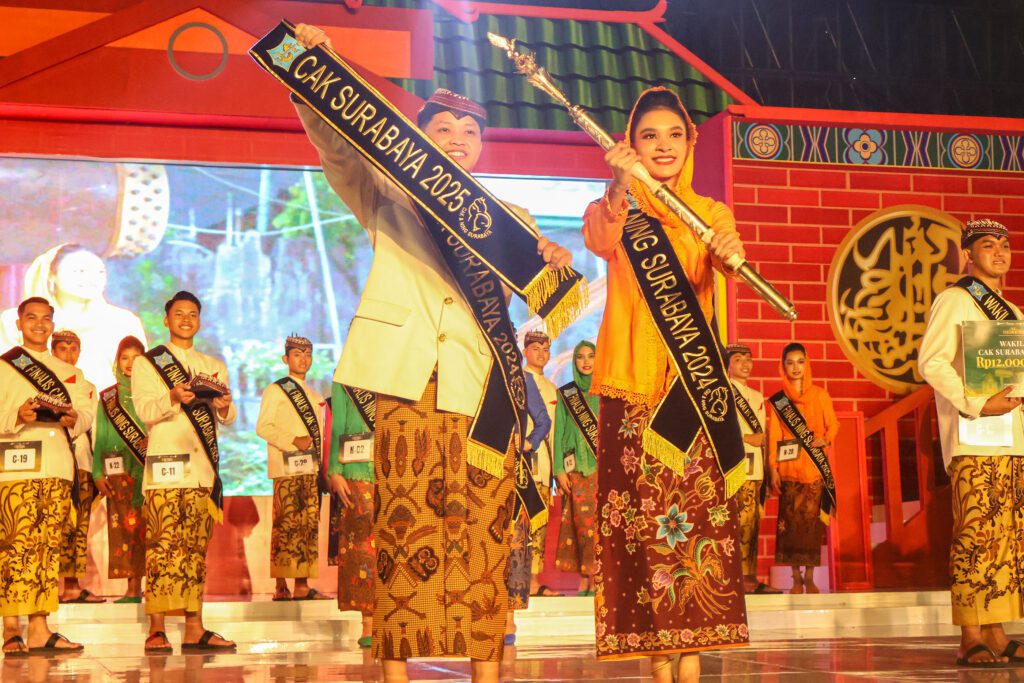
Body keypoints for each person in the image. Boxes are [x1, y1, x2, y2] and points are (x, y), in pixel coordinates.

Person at [292, 23, 573, 683]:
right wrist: (313, 75)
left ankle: (486, 673)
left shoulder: (511, 218)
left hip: (483, 392)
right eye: (442, 128)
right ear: (418, 138)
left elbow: (547, 300)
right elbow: (336, 148)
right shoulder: (389, 192)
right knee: (401, 530)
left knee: (483, 536)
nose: (457, 138)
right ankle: (395, 672)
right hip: (406, 377)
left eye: (469, 131)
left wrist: (556, 264)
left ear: (482, 145)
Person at [583, 87, 749, 683]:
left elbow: (727, 264)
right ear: (630, 143)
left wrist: (728, 251)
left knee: (695, 525)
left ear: (690, 143)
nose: (663, 146)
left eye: (674, 135)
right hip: (630, 386)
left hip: (690, 394)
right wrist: (621, 184)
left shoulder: (710, 213)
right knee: (640, 526)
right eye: (649, 136)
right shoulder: (614, 205)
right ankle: (657, 663)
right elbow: (600, 240)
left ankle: (693, 661)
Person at [919, 219, 1024, 668]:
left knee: (1006, 539)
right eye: (987, 245)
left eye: (1005, 245)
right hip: (974, 434)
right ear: (967, 255)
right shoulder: (955, 299)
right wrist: (978, 402)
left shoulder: (1014, 313)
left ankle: (997, 632)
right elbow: (932, 362)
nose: (999, 252)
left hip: (1012, 439)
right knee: (975, 535)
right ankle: (969, 635)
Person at [132, 291, 237, 653]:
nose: (186, 319)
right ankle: (156, 629)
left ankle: (194, 628)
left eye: (193, 314)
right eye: (179, 313)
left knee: (194, 551)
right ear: (167, 320)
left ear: (199, 321)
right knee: (161, 549)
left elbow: (228, 417)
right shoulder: (148, 363)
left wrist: (224, 406)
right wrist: (174, 397)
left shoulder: (213, 364)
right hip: (165, 469)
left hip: (201, 472)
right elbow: (145, 410)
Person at [1, 297, 94, 655]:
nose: (39, 324)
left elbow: (86, 412)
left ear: (53, 325)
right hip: (14, 468)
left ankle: (39, 629)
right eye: (32, 318)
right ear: (19, 323)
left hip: (56, 467)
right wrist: (17, 414)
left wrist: (75, 419)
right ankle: (11, 628)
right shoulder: (5, 366)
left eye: (46, 319)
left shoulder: (70, 372)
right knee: (13, 547)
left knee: (45, 550)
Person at [0, 244, 147, 389]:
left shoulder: (123, 322)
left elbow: (139, 380)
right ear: (52, 275)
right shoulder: (15, 321)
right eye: (80, 271)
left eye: (100, 272)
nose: (93, 278)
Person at [255, 335, 329, 602]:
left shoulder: (316, 396)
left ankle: (302, 585)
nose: (303, 359)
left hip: (310, 469)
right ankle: (280, 585)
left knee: (306, 528)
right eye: (297, 354)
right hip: (286, 468)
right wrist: (292, 440)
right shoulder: (275, 390)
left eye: (307, 354)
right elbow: (263, 427)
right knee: (285, 525)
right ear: (286, 359)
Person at [766, 343, 839, 595]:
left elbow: (834, 425)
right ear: (783, 366)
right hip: (789, 469)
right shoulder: (778, 401)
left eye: (800, 361)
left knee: (811, 527)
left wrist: (825, 440)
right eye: (790, 362)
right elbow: (774, 436)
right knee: (789, 527)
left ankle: (810, 577)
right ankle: (795, 578)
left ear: (807, 363)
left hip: (814, 469)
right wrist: (773, 468)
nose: (795, 367)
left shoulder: (820, 395)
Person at [48, 330, 104, 605]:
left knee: (77, 527)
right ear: (53, 351)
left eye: (73, 349)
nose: (68, 355)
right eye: (63, 349)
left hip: (81, 462)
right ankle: (46, 586)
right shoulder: (40, 381)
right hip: (51, 463)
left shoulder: (87, 386)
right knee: (50, 525)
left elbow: (92, 424)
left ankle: (71, 586)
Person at [92, 335, 148, 604]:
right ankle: (132, 588)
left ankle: (151, 586)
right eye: (124, 358)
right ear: (117, 361)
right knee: (124, 530)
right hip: (117, 472)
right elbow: (101, 436)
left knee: (148, 528)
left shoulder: (153, 393)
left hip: (148, 469)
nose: (130, 363)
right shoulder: (108, 398)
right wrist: (97, 473)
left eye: (136, 358)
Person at [726, 343, 779, 595]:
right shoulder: (723, 392)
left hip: (756, 468)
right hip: (735, 467)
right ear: (728, 364)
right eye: (738, 359)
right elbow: (718, 431)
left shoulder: (757, 397)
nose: (745, 364)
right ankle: (735, 577)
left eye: (748, 359)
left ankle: (749, 576)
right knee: (737, 524)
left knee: (752, 525)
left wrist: (768, 471)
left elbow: (763, 437)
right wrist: (748, 439)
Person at [505, 367, 553, 645]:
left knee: (516, 542)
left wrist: (529, 442)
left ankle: (509, 618)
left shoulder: (522, 378)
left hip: (515, 468)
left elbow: (543, 421)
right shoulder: (476, 367)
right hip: (483, 466)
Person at [327, 381, 376, 649]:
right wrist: (335, 471)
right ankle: (368, 622)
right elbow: (338, 426)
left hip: (394, 468)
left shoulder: (396, 369)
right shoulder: (345, 378)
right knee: (361, 549)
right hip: (356, 470)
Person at [553, 340, 599, 596]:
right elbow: (559, 433)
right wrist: (559, 471)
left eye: (591, 356)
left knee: (601, 525)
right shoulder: (566, 394)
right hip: (576, 470)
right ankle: (585, 576)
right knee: (580, 524)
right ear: (574, 361)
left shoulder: (605, 392)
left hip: (601, 470)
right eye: (580, 357)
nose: (586, 361)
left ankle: (599, 577)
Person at [521, 331, 560, 598]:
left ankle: (534, 583)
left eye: (545, 349)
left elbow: (555, 431)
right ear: (525, 352)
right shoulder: (518, 380)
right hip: (520, 462)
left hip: (544, 464)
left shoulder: (553, 388)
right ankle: (513, 582)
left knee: (539, 526)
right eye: (536, 348)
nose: (541, 354)